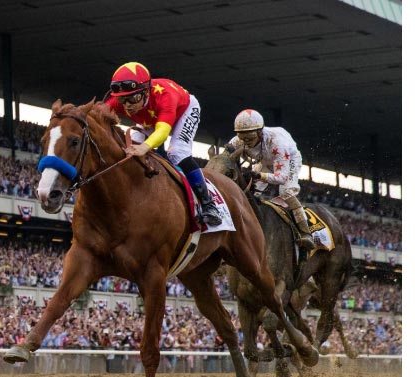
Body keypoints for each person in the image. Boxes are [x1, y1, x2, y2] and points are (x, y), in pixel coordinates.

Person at [105, 62, 222, 226]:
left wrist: (144, 147)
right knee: (129, 151)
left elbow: (162, 132)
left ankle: (209, 205)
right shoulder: (125, 101)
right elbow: (94, 113)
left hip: (183, 112)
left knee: (176, 152)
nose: (127, 105)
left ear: (146, 91)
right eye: (122, 100)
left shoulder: (165, 96)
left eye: (133, 98)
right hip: (151, 120)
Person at [227, 109, 315, 250]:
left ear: (260, 132)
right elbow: (225, 159)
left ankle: (306, 233)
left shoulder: (278, 143)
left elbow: (281, 177)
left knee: (285, 192)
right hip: (266, 161)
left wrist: (259, 176)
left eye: (249, 138)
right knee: (250, 191)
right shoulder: (237, 141)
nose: (245, 143)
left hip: (289, 160)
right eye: (242, 138)